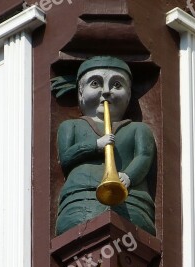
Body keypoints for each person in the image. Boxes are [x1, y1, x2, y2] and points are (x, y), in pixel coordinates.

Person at [52, 56, 156, 236]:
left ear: (129, 94)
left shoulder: (138, 129)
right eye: (95, 84)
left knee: (135, 226)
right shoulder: (70, 126)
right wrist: (95, 145)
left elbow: (144, 156)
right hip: (80, 199)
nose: (106, 91)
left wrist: (128, 177)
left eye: (117, 85)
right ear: (81, 92)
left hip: (130, 203)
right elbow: (66, 158)